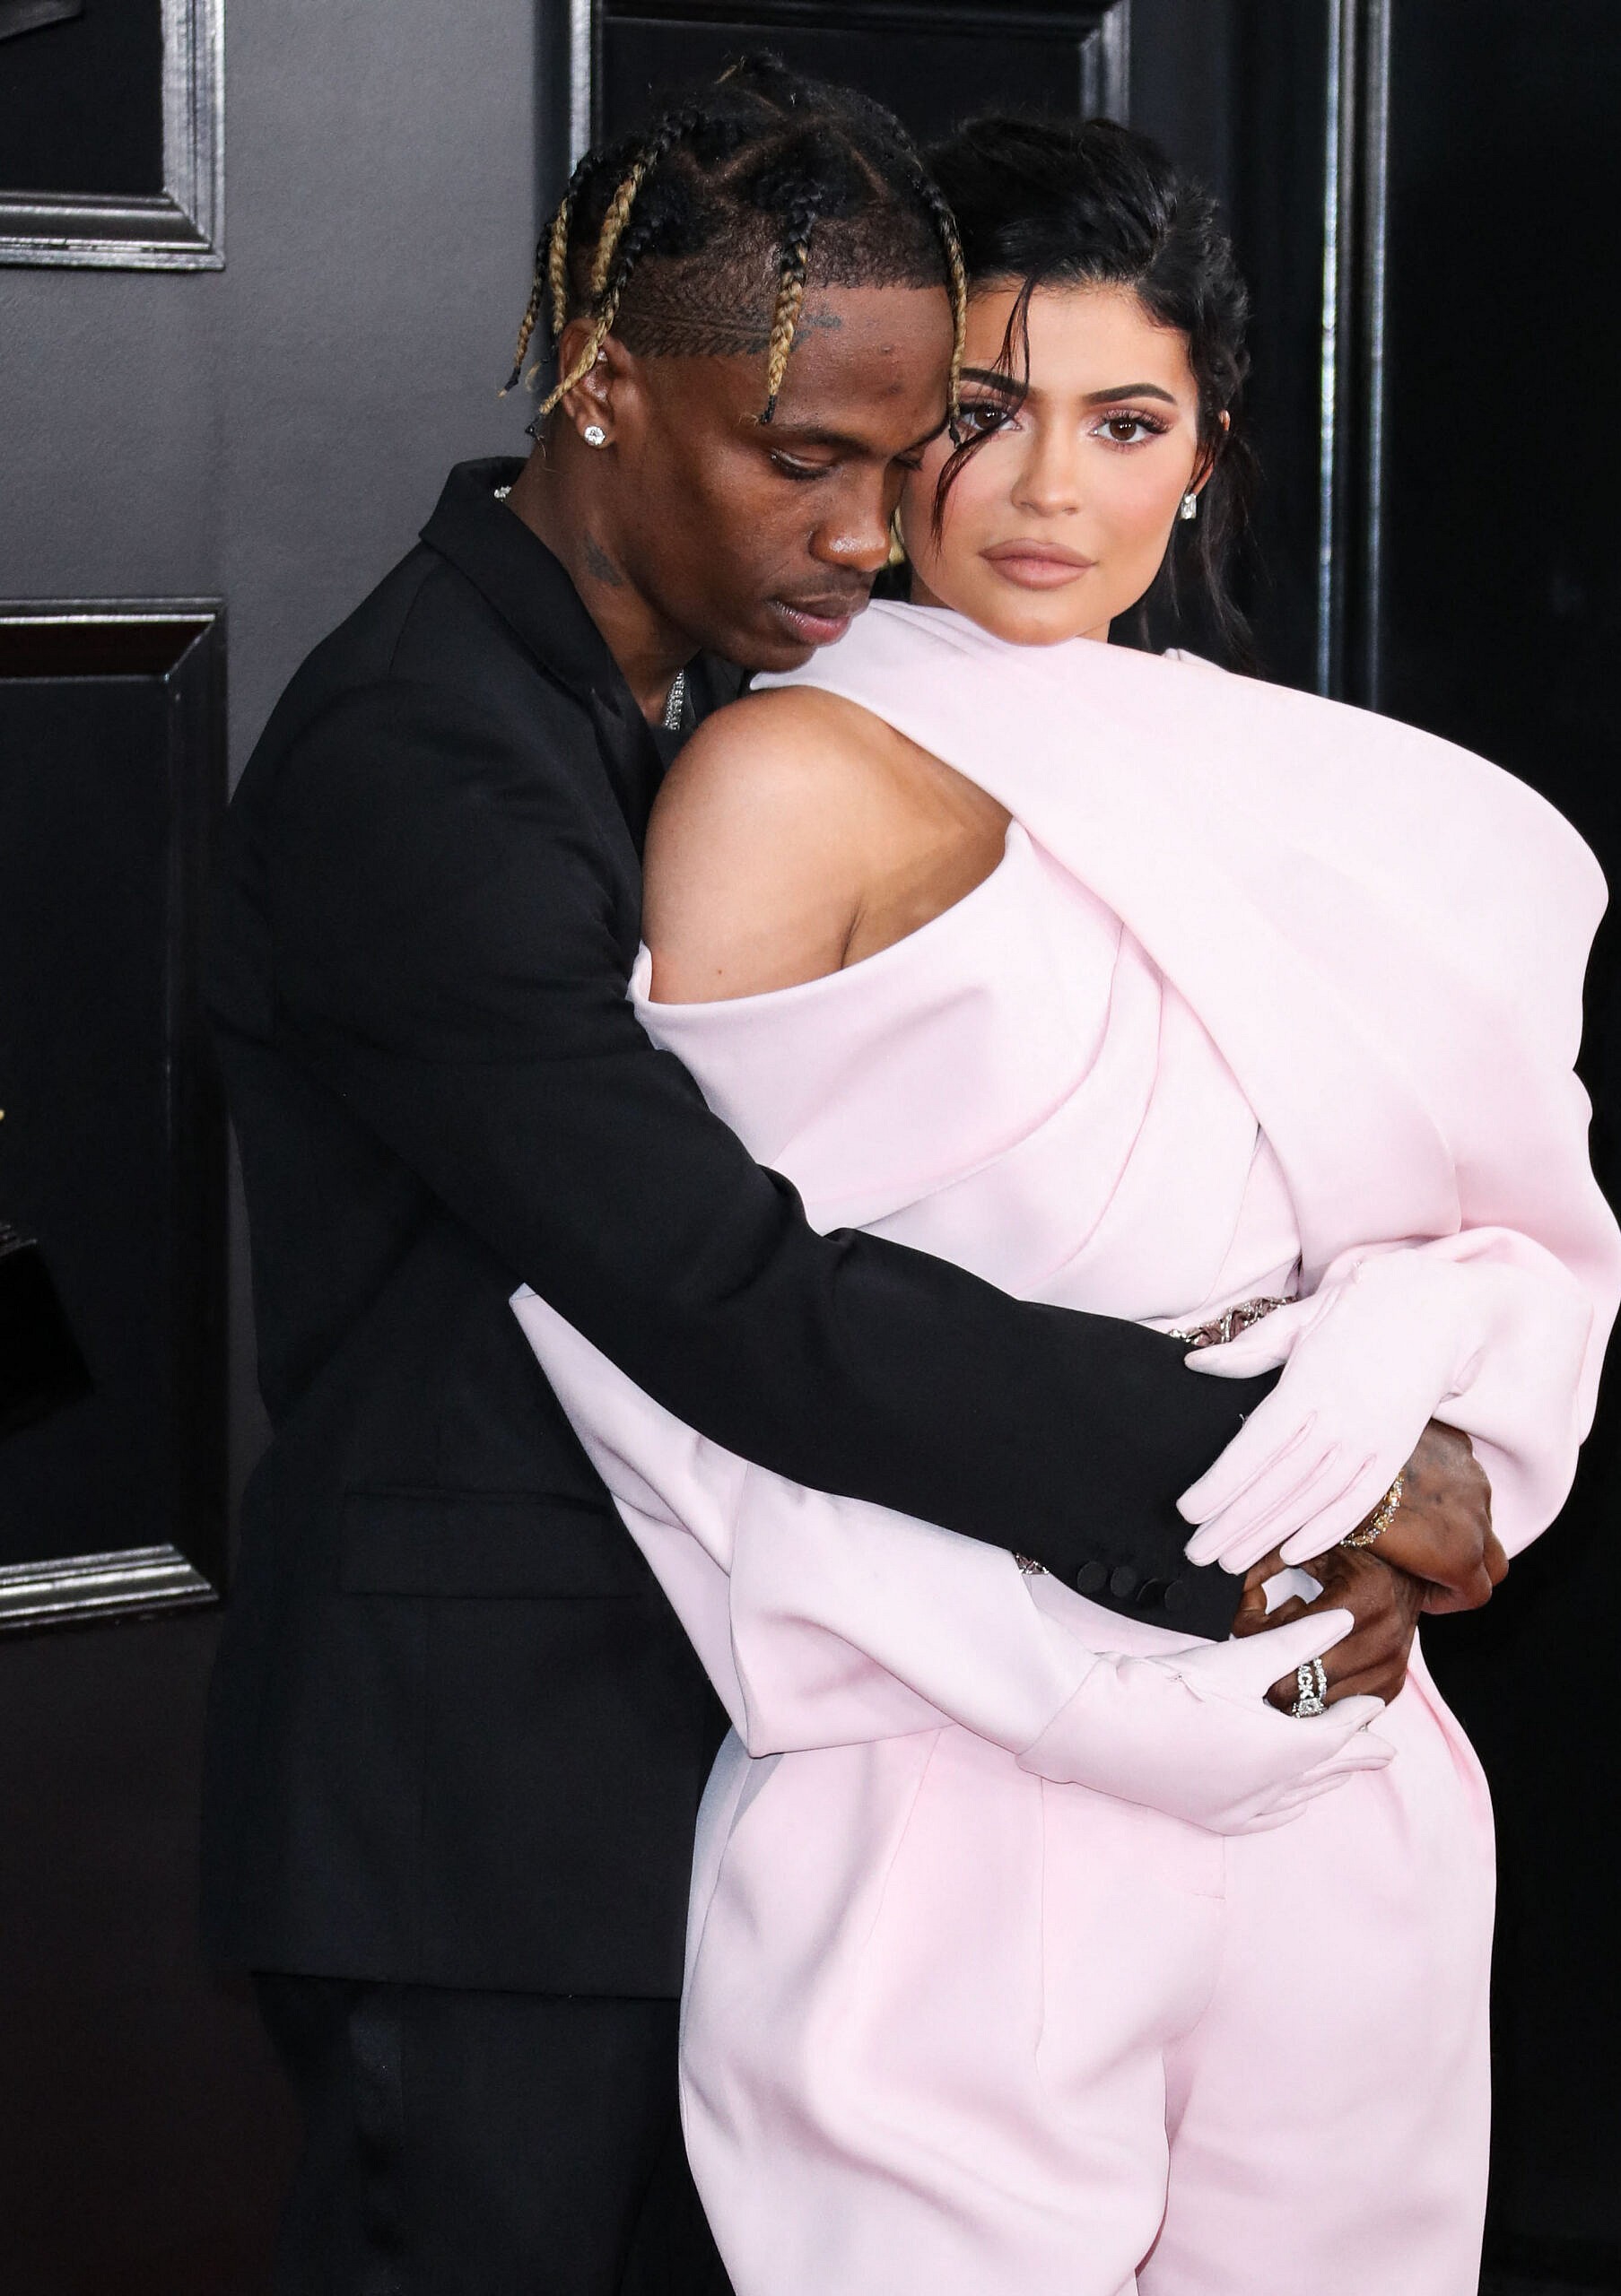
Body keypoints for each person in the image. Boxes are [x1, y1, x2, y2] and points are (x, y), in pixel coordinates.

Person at [201, 61, 1486, 2294]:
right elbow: (721, 1289)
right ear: (602, 388)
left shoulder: (650, 708)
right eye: (805, 462)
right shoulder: (422, 755)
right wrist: (1279, 1485)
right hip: (473, 1820)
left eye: (902, 465)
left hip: (693, 1760)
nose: (872, 533)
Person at [516, 113, 1621, 2295]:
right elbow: (692, 1347)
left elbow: (1517, 1254)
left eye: (1125, 421)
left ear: (1205, 449)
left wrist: (1399, 1385)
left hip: (1344, 1765)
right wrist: (1140, 1654)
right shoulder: (780, 774)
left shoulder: (1341, 794)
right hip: (959, 1789)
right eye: (984, 416)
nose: (1044, 496)